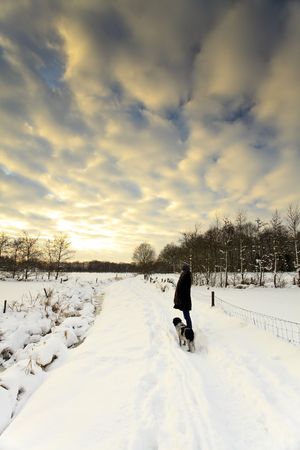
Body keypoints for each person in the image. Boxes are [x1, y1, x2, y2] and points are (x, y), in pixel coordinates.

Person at [173, 263, 193, 329]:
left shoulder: (186, 276)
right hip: (183, 299)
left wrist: (180, 297)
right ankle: (189, 327)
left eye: (183, 269)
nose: (182, 270)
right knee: (186, 315)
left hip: (185, 299)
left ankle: (190, 328)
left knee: (186, 315)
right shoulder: (183, 275)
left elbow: (185, 289)